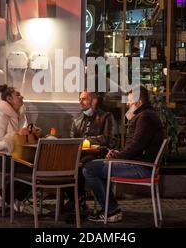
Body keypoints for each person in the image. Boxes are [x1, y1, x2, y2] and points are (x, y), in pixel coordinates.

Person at [83, 86, 165, 222]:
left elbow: (135, 147)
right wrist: (118, 153)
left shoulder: (144, 117)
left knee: (89, 169)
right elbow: (135, 146)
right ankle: (111, 208)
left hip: (141, 168)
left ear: (139, 102)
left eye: (130, 101)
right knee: (95, 166)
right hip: (141, 164)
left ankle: (111, 211)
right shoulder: (146, 115)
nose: (127, 104)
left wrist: (116, 156)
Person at [0, 84, 41, 214]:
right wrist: (17, 134)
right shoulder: (1, 116)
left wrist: (31, 131)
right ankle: (0, 194)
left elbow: (22, 136)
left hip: (17, 155)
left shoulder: (21, 114)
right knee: (31, 169)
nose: (21, 96)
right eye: (17, 95)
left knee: (37, 167)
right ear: (9, 99)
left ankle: (15, 197)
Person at [64, 91, 118, 213]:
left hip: (99, 154)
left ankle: (79, 200)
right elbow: (73, 139)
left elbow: (107, 139)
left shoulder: (106, 116)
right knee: (65, 164)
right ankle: (76, 198)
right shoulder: (77, 119)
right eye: (79, 99)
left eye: (84, 99)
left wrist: (86, 140)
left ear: (93, 101)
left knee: (80, 165)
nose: (80, 102)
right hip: (80, 154)